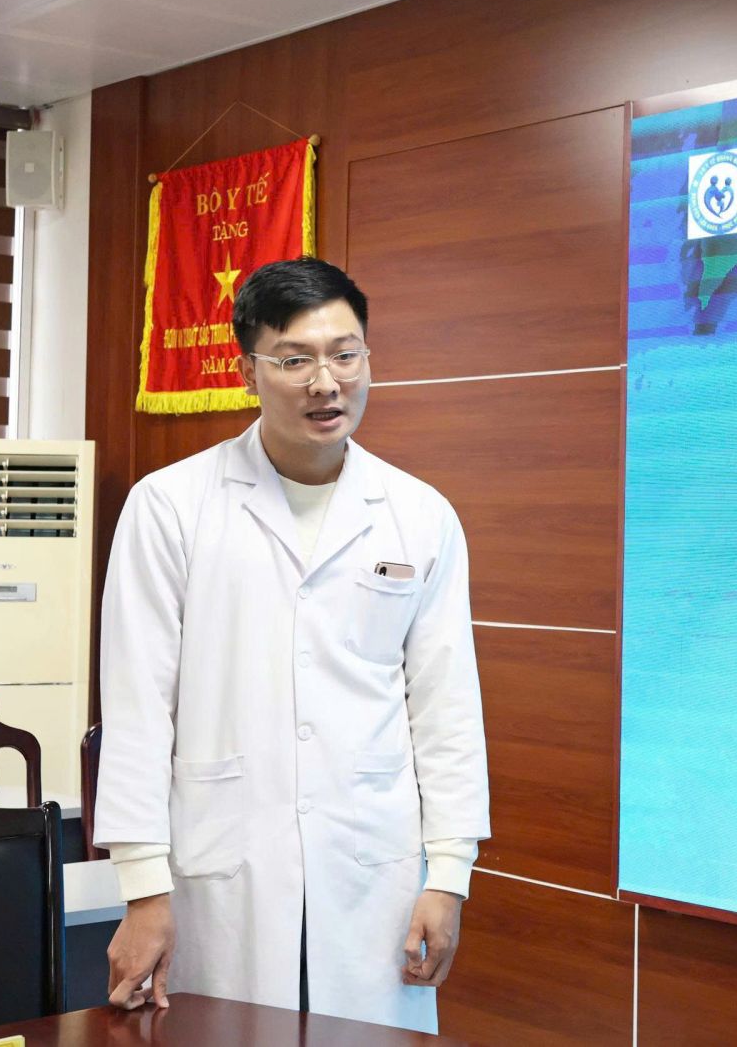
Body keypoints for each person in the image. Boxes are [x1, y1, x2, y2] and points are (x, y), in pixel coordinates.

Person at [94, 257, 490, 1033]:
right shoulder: (170, 506)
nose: (326, 383)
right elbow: (138, 709)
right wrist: (143, 889)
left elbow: (446, 708)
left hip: (372, 869)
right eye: (295, 360)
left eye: (345, 354)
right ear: (248, 371)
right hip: (224, 865)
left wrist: (448, 874)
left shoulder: (420, 515)